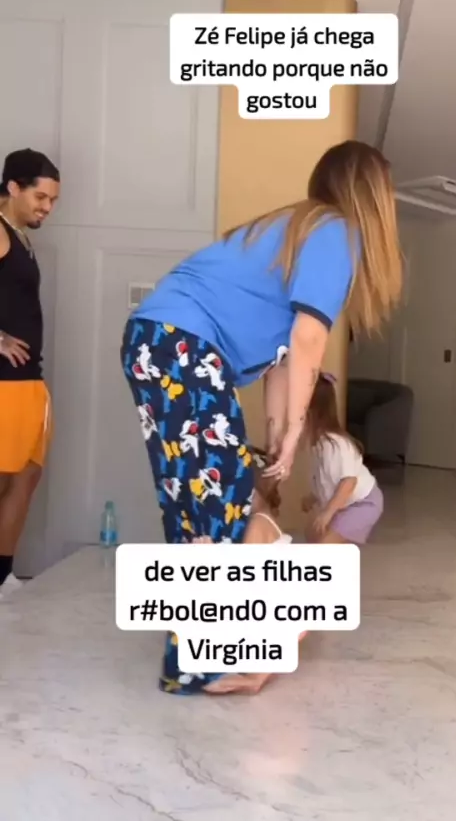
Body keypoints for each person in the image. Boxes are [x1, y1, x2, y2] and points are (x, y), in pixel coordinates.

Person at [121, 139, 403, 695]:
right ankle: (217, 658)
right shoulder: (336, 232)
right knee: (219, 499)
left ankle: (203, 657)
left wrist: (278, 440)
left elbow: (280, 362)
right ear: (371, 196)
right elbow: (307, 338)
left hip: (161, 344)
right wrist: (296, 432)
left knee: (199, 500)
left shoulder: (299, 232)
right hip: (181, 345)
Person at [0, 148, 60, 595]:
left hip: (27, 381)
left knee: (27, 475)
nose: (47, 207)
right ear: (13, 187)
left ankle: (2, 575)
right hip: (5, 381)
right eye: (41, 197)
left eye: (53, 200)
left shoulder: (19, 236)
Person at [302, 373, 383, 545]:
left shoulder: (335, 445)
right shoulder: (318, 444)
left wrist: (328, 513)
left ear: (310, 413)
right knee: (313, 536)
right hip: (345, 503)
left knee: (326, 544)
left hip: (363, 503)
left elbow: (348, 482)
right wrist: (314, 496)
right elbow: (326, 478)